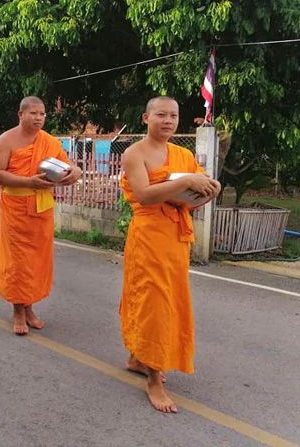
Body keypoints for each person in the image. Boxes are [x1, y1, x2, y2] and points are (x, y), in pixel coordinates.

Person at [119, 96, 220, 413]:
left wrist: (207, 187)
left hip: (176, 239)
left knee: (169, 301)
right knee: (153, 304)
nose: (168, 120)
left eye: (173, 116)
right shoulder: (135, 154)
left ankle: (138, 357)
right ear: (145, 118)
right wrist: (188, 181)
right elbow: (146, 195)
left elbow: (190, 200)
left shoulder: (183, 154)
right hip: (148, 237)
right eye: (161, 114)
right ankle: (153, 381)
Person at [0, 96, 82, 335]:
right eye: (34, 113)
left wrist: (76, 171)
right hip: (16, 207)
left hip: (42, 209)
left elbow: (67, 166)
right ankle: (18, 311)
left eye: (42, 114)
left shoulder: (49, 141)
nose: (39, 118)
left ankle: (29, 307)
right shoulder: (6, 140)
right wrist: (28, 181)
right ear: (21, 115)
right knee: (18, 263)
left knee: (36, 262)